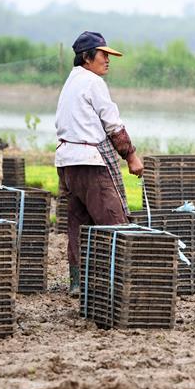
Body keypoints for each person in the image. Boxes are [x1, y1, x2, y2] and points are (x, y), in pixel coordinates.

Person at [55, 31, 143, 295]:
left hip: (67, 163)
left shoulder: (72, 81)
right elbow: (112, 124)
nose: (107, 60)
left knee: (78, 222)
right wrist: (131, 156)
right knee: (113, 219)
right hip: (89, 162)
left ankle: (78, 282)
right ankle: (122, 281)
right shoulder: (93, 82)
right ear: (87, 57)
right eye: (103, 55)